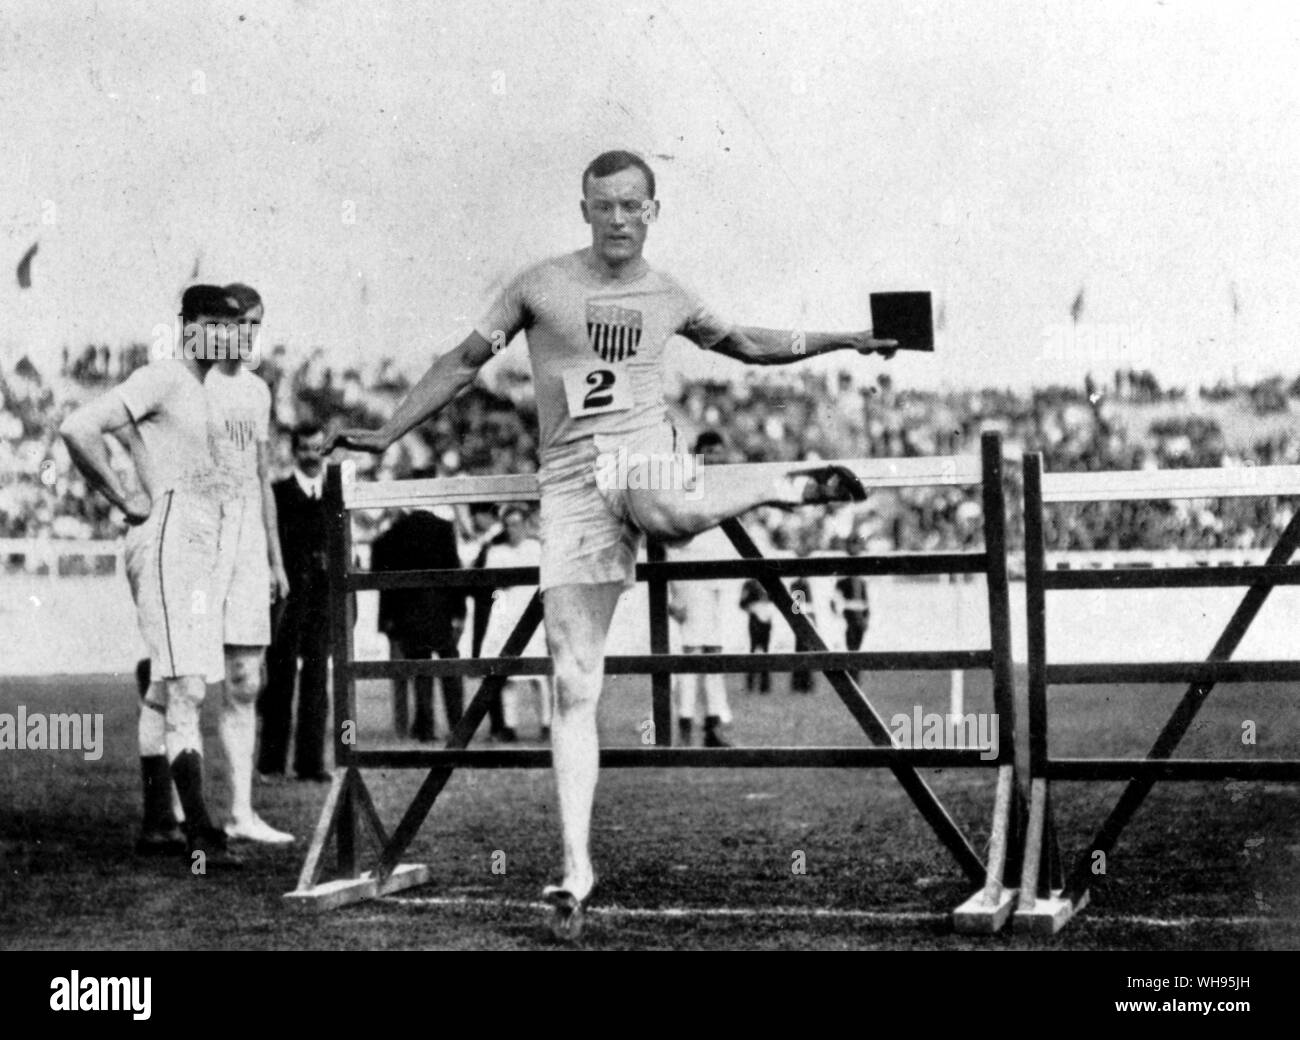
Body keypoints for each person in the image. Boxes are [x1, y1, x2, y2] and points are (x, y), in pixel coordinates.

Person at [328, 149, 896, 937]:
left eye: (634, 205)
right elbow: (463, 364)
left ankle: (784, 482)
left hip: (643, 453)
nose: (620, 219)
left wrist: (850, 339)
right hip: (569, 486)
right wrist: (390, 430)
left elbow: (750, 344)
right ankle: (574, 867)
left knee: (662, 506)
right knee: (571, 683)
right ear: (585, 208)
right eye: (605, 206)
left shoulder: (669, 293)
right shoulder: (539, 285)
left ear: (653, 210)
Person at [60, 284, 244, 866]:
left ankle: (160, 825)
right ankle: (202, 836)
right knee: (187, 683)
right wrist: (125, 500)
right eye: (215, 325)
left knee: (168, 686)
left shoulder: (203, 394)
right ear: (189, 327)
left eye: (234, 326)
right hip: (165, 539)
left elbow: (158, 453)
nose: (229, 336)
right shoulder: (165, 377)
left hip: (191, 544)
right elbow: (78, 427)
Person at [202, 282, 294, 843]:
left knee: (245, 679)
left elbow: (262, 479)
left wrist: (275, 560)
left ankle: (240, 814)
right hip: (198, 536)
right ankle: (177, 813)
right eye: (237, 324)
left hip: (246, 546)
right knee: (183, 678)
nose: (246, 335)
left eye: (255, 324)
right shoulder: (195, 384)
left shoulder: (258, 393)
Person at [260, 423, 331, 782]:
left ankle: (311, 763)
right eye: (305, 448)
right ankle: (271, 764)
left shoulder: (336, 495)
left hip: (322, 604)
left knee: (318, 683)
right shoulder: (278, 494)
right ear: (294, 451)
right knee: (280, 680)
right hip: (287, 601)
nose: (312, 455)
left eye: (318, 448)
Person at [370, 483, 467, 741]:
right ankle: (458, 725)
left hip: (407, 614)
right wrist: (459, 613)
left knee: (421, 671)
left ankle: (425, 727)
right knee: (450, 670)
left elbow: (383, 582)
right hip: (442, 611)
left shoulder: (391, 535)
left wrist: (388, 620)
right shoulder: (444, 529)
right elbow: (454, 573)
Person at [667, 432, 734, 747]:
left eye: (720, 453)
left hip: (718, 581)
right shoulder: (686, 485)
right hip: (689, 577)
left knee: (714, 653)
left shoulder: (727, 489)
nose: (716, 458)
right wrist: (671, 593)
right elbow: (670, 538)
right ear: (697, 454)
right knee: (693, 652)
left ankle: (713, 724)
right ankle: (684, 724)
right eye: (709, 452)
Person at [480, 506, 552, 742]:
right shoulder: (496, 552)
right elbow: (493, 585)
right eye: (508, 525)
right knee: (508, 676)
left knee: (537, 675)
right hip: (506, 617)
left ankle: (547, 722)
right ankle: (509, 726)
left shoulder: (536, 548)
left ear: (525, 525)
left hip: (532, 616)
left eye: (517, 524)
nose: (513, 530)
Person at [831, 535, 870, 687]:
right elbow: (836, 596)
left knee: (856, 647)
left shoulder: (860, 579)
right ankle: (852, 679)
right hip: (850, 614)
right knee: (851, 647)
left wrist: (866, 616)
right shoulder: (844, 578)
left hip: (859, 613)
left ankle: (855, 679)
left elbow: (865, 600)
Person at [739, 578, 773, 694]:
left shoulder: (769, 581)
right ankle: (750, 684)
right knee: (753, 651)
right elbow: (742, 603)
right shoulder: (749, 584)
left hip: (766, 620)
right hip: (755, 620)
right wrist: (753, 608)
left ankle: (765, 685)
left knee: (766, 652)